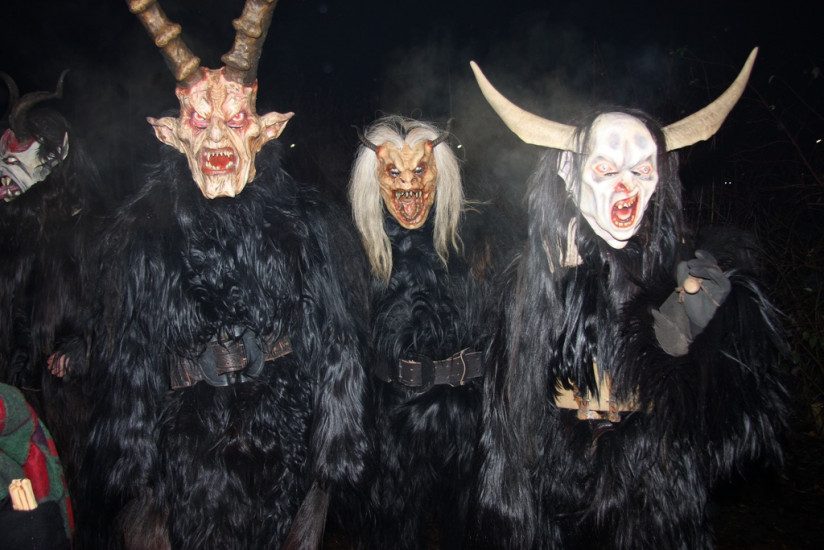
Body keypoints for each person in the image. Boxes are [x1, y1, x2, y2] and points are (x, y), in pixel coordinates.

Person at [76, 1, 371, 547]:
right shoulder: (143, 234)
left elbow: (335, 343)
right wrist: (134, 464)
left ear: (265, 130)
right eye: (198, 120)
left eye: (234, 121)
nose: (215, 138)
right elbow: (129, 359)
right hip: (188, 447)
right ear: (171, 134)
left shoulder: (305, 224)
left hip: (282, 438)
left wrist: (333, 449)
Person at [468, 48, 788, 549]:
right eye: (605, 168)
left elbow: (723, 418)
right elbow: (512, 404)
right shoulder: (534, 273)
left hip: (646, 485)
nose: (626, 189)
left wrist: (695, 330)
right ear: (569, 174)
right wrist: (553, 283)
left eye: (642, 171)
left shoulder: (676, 268)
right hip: (558, 484)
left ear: (660, 179)